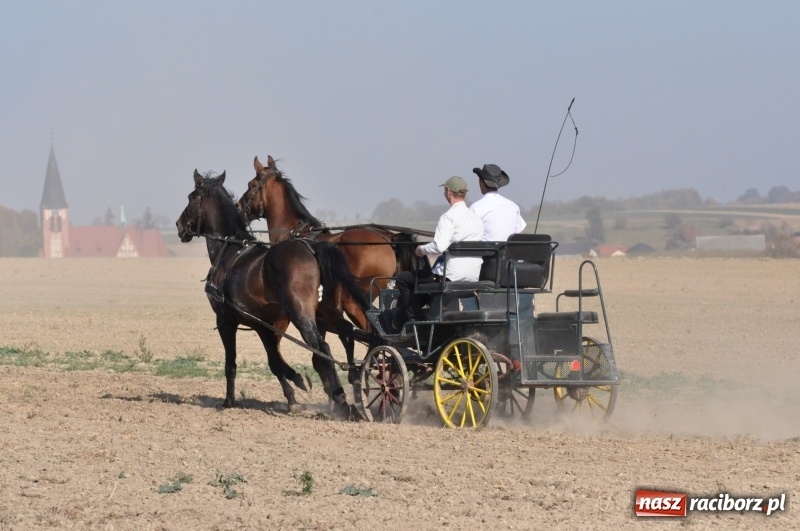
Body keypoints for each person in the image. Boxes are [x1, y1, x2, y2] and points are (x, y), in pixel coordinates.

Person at [381, 175, 484, 334]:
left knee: (403, 279)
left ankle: (416, 322)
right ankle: (423, 316)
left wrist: (421, 250)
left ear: (448, 192)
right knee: (423, 278)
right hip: (472, 276)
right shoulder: (476, 219)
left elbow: (439, 246)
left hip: (450, 275)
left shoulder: (448, 217)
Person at [470, 164, 526, 241]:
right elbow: (519, 233)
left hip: (486, 252)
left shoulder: (476, 208)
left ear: (482, 182)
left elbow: (470, 236)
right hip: (509, 252)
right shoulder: (513, 206)